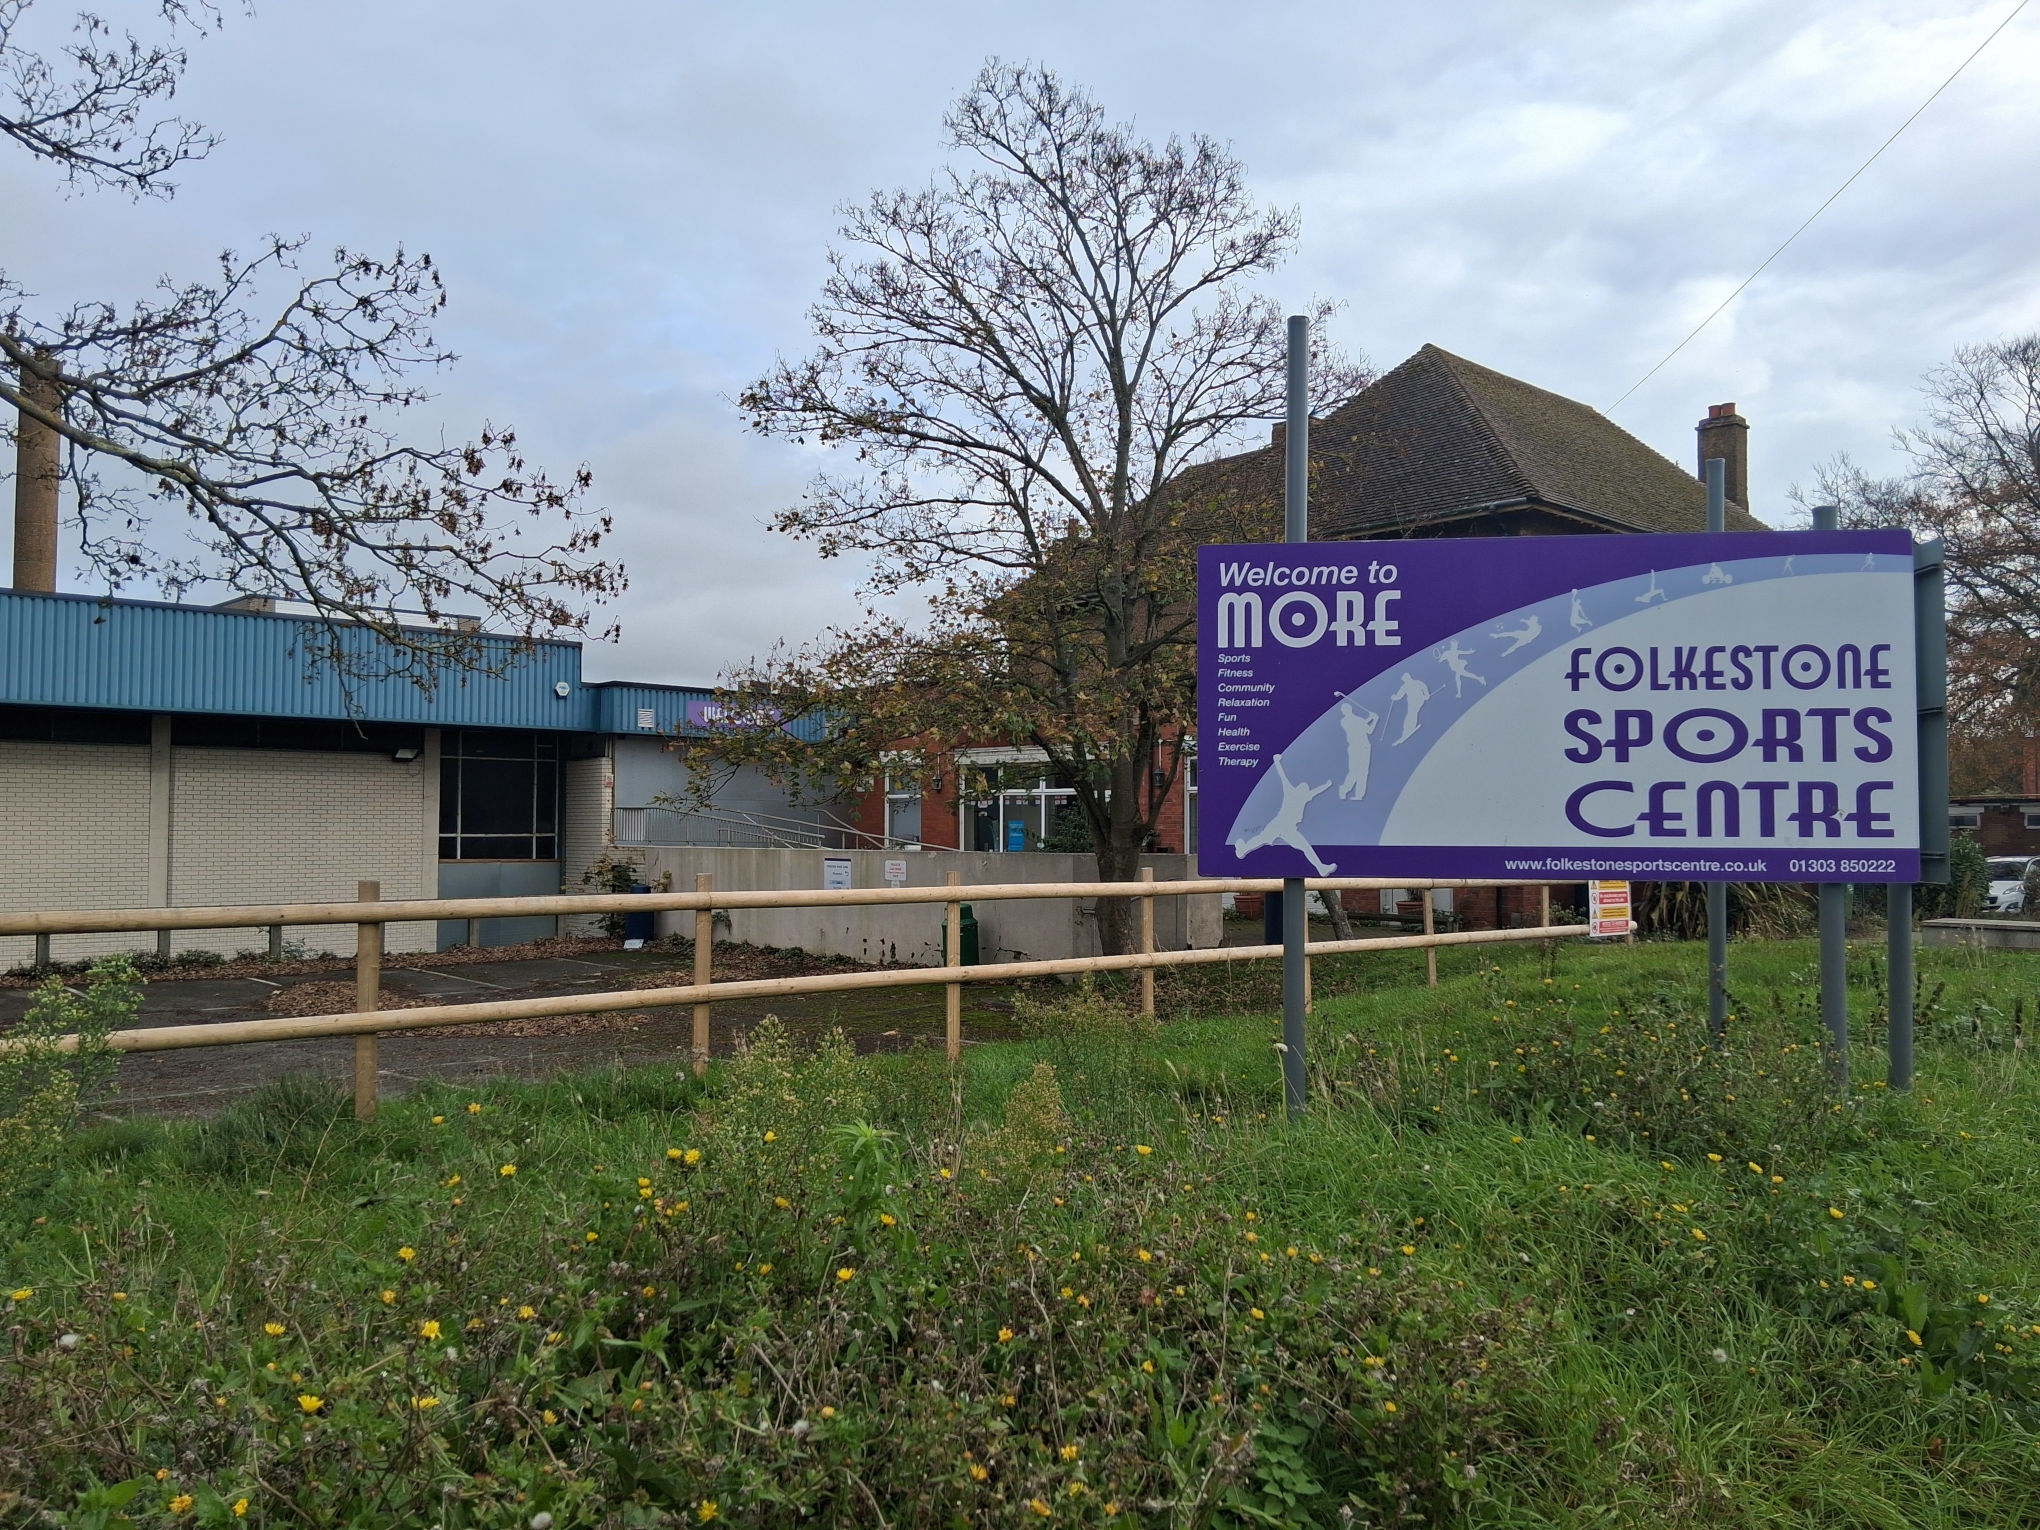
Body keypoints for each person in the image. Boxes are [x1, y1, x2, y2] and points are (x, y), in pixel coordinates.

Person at [1230, 754, 1337, 874]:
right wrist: (1277, 762)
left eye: (1306, 789)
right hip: (1279, 823)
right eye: (1304, 788)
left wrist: (1327, 785)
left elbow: (1316, 791)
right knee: (1262, 838)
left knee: (1305, 846)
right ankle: (1243, 849)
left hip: (1289, 828)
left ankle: (1321, 868)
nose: (1306, 789)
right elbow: (1283, 777)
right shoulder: (1290, 792)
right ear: (1299, 789)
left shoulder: (1305, 797)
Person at [1338, 700, 1379, 800]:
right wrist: (1375, 719)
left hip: (1364, 747)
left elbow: (1363, 725)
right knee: (1354, 771)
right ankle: (1344, 790)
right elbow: (1369, 730)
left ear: (1350, 710)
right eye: (1345, 710)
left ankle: (1359, 795)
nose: (1346, 711)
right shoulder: (1346, 721)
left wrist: (1371, 718)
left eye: (1347, 709)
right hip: (1356, 747)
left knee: (1363, 772)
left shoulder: (1356, 720)